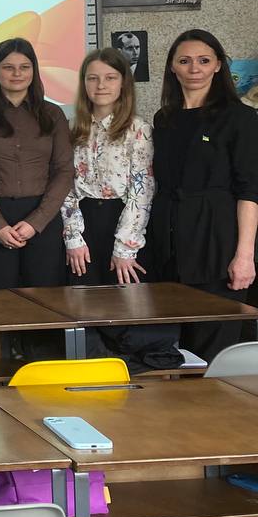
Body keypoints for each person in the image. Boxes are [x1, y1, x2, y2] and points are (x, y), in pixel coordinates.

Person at [146, 30, 258, 360]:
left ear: (218, 65)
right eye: (185, 60)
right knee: (172, 350)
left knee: (214, 348)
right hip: (168, 246)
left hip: (217, 244)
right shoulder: (164, 119)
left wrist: (245, 256)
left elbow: (249, 191)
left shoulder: (240, 118)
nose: (194, 68)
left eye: (203, 60)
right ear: (172, 67)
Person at [0, 38, 73, 289]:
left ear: (34, 70)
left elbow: (64, 171)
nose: (17, 74)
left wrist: (36, 222)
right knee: (1, 300)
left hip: (43, 215)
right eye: (8, 67)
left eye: (24, 67)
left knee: (46, 300)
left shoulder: (53, 114)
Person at [62, 48, 154, 286]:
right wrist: (73, 237)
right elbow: (63, 185)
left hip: (123, 221)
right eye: (92, 78)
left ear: (124, 83)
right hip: (81, 223)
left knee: (125, 299)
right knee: (84, 299)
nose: (101, 85)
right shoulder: (71, 128)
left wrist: (125, 247)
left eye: (110, 77)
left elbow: (142, 192)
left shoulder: (138, 129)